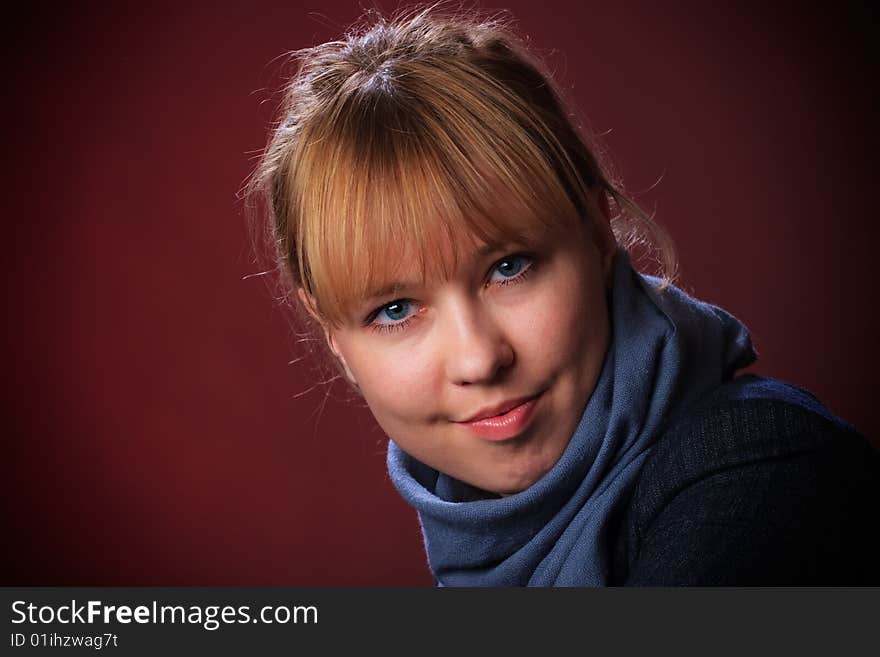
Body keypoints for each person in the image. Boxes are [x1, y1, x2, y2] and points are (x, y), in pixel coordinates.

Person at [246, 5, 879, 585]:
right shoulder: (479, 550)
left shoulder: (756, 479)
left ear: (599, 229)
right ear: (335, 338)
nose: (479, 359)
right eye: (394, 310)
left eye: (509, 267)